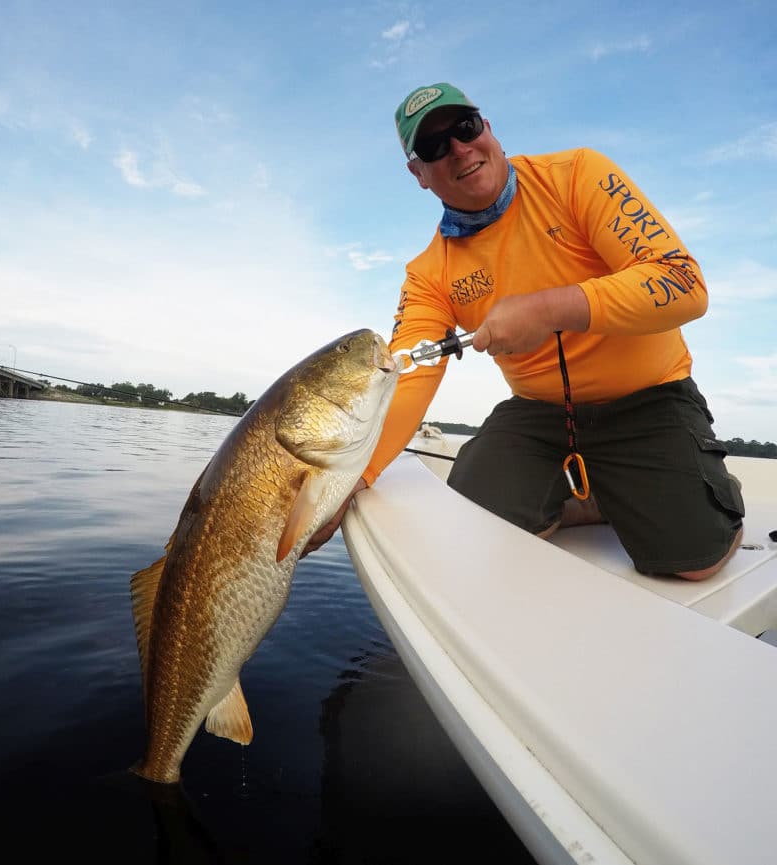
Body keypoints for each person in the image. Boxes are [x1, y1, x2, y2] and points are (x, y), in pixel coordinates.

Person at [305, 82, 744, 580]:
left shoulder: (578, 175)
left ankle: (701, 491)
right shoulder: (429, 273)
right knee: (474, 514)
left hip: (651, 397)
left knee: (692, 558)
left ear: (487, 127)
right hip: (540, 415)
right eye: (434, 147)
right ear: (418, 174)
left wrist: (552, 307)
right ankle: (591, 496)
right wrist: (353, 478)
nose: (459, 150)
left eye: (466, 128)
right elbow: (408, 371)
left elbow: (683, 283)